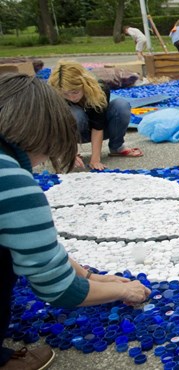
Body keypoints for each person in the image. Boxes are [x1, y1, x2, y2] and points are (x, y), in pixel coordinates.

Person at [0, 73, 151, 370]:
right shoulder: (11, 179)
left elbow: (31, 244)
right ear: (45, 134)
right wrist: (122, 290)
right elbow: (57, 289)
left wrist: (89, 275)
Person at [48, 60, 143, 171]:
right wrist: (68, 153)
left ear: (84, 84)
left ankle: (116, 147)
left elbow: (98, 126)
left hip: (98, 130)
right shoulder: (52, 93)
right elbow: (52, 129)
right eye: (65, 94)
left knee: (121, 105)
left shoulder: (99, 88)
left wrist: (95, 159)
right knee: (76, 114)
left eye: (75, 92)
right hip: (70, 133)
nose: (71, 98)